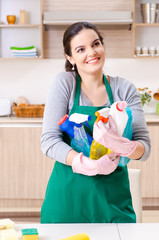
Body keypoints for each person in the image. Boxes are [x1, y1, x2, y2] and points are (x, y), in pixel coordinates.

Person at [40, 22, 151, 223]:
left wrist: (123, 146)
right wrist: (81, 162)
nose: (91, 52)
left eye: (96, 44)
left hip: (113, 201)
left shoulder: (124, 89)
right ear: (70, 58)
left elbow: (144, 150)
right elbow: (49, 141)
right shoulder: (65, 83)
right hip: (67, 201)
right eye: (80, 49)